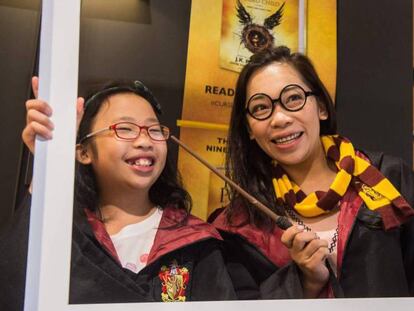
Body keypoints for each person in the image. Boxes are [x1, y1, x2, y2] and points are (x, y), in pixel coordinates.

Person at [0, 78, 236, 310]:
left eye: (154, 130)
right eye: (124, 128)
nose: (144, 141)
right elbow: (14, 290)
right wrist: (49, 166)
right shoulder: (64, 231)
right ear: (83, 152)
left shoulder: (195, 242)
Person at [212, 46, 414, 299]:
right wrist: (305, 283)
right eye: (261, 108)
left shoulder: (388, 177)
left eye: (293, 98)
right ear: (249, 129)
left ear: (321, 107)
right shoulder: (241, 224)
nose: (280, 118)